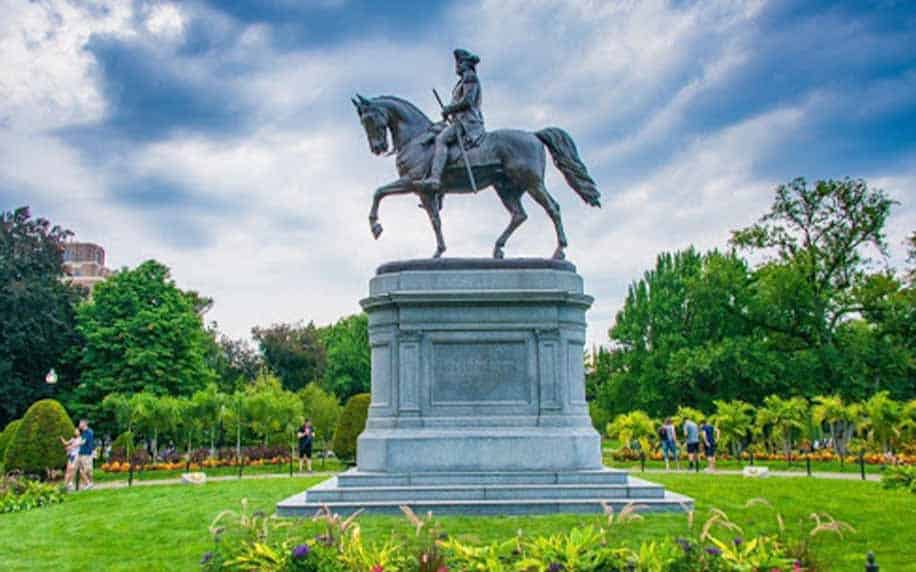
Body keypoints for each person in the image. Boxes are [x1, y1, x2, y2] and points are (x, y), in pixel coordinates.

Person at [418, 48, 485, 191]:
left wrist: (450, 109)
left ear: (466, 64)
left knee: (441, 139)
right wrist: (448, 113)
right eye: (457, 63)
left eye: (460, 63)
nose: (457, 66)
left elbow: (467, 102)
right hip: (459, 120)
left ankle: (435, 178)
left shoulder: (470, 77)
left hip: (467, 122)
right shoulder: (462, 81)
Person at [76, 419, 94, 490]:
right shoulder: (83, 432)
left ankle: (89, 483)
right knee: (82, 470)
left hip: (86, 454)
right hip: (81, 453)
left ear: (84, 424)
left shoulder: (89, 432)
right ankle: (88, 483)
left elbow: (83, 442)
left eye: (80, 423)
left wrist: (74, 445)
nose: (79, 425)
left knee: (86, 470)